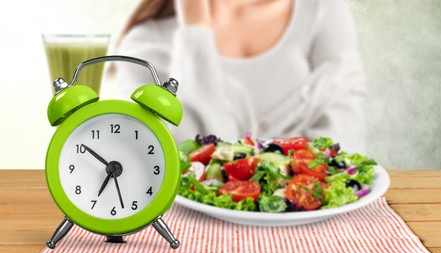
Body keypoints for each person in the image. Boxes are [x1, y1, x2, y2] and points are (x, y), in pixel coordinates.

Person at [116, 0, 366, 153]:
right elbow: (192, 160)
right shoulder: (145, 43)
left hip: (311, 228)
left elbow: (342, 147)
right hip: (196, 228)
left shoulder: (322, 10)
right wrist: (196, 31)